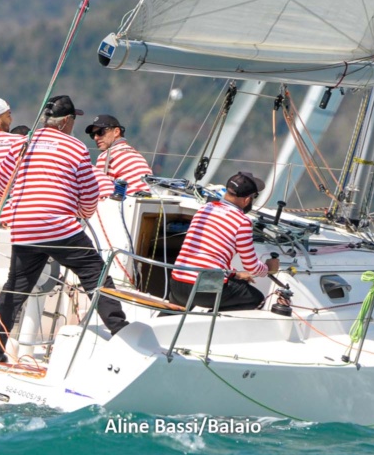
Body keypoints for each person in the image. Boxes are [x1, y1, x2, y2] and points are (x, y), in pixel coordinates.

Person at [0, 95, 129, 364]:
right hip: (60, 227)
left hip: (24, 228)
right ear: (66, 121)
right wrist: (82, 214)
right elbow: (89, 194)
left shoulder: (23, 143)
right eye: (74, 119)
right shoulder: (75, 147)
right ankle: (121, 332)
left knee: (16, 288)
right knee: (95, 275)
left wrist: (8, 208)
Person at [169, 171, 279, 311]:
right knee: (257, 299)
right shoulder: (242, 221)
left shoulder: (204, 209)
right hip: (202, 289)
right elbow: (251, 266)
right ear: (247, 200)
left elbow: (208, 255)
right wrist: (268, 269)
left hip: (177, 283)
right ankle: (210, 321)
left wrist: (234, 274)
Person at [84, 114, 153, 198]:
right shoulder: (137, 154)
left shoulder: (106, 156)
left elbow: (101, 192)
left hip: (127, 202)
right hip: (149, 199)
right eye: (93, 135)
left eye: (100, 132)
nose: (96, 137)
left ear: (116, 132)